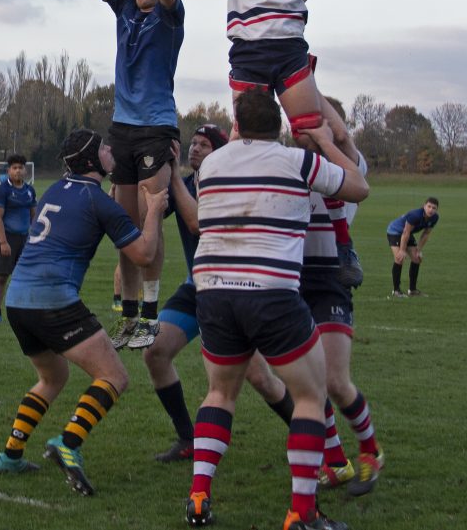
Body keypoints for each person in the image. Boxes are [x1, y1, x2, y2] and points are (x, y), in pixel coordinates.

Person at [124, 0, 369, 280]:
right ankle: (224, 235)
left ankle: (342, 245)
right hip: (249, 55)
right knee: (240, 143)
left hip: (289, 51)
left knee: (313, 136)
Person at [183, 90, 368, 530]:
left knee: (219, 394)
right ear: (280, 128)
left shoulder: (210, 166)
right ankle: (301, 513)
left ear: (237, 127)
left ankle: (197, 497)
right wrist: (324, 140)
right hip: (270, 292)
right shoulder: (294, 162)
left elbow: (237, 147)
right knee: (309, 395)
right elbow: (359, 186)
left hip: (212, 291)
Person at [0, 129, 168, 496]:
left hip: (18, 300)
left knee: (52, 377)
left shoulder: (56, 189)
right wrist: (152, 212)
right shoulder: (98, 202)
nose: (110, 151)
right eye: (105, 147)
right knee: (114, 377)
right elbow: (145, 255)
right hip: (53, 299)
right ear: (92, 159)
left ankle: (11, 455)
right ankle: (68, 443)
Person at [69, 0, 183, 350]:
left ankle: (152, 315)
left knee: (153, 221)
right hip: (123, 128)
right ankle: (132, 317)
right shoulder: (122, 8)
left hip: (157, 127)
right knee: (127, 228)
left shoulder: (172, 16)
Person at [147, 124, 295, 463]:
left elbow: (197, 221)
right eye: (193, 144)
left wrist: (171, 179)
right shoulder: (183, 184)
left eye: (204, 145)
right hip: (196, 286)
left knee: (260, 378)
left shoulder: (227, 186)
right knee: (155, 352)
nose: (195, 149)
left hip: (232, 290)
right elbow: (147, 214)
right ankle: (188, 438)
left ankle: (312, 435)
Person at [303, 185, 384, 498]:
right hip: (291, 278)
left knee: (335, 380)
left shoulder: (341, 164)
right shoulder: (291, 161)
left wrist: (326, 136)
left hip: (330, 280)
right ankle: (336, 462)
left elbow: (358, 177)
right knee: (307, 382)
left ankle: (370, 450)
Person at [0, 153, 38, 324]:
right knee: (1, 276)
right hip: (6, 237)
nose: (18, 171)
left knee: (25, 275)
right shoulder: (2, 191)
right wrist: (3, 242)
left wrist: (37, 237)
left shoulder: (30, 191)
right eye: (14, 168)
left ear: (25, 170)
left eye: (20, 168)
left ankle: (22, 310)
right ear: (9, 171)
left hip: (24, 239)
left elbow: (34, 216)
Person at [386, 199, 440, 297]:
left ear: (436, 210)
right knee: (399, 259)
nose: (431, 210)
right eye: (429, 206)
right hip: (395, 231)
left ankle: (412, 290)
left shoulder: (434, 218)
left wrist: (418, 250)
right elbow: (405, 232)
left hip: (407, 233)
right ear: (424, 206)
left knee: (417, 259)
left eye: (434, 208)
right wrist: (402, 250)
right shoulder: (415, 215)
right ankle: (396, 291)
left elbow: (426, 233)